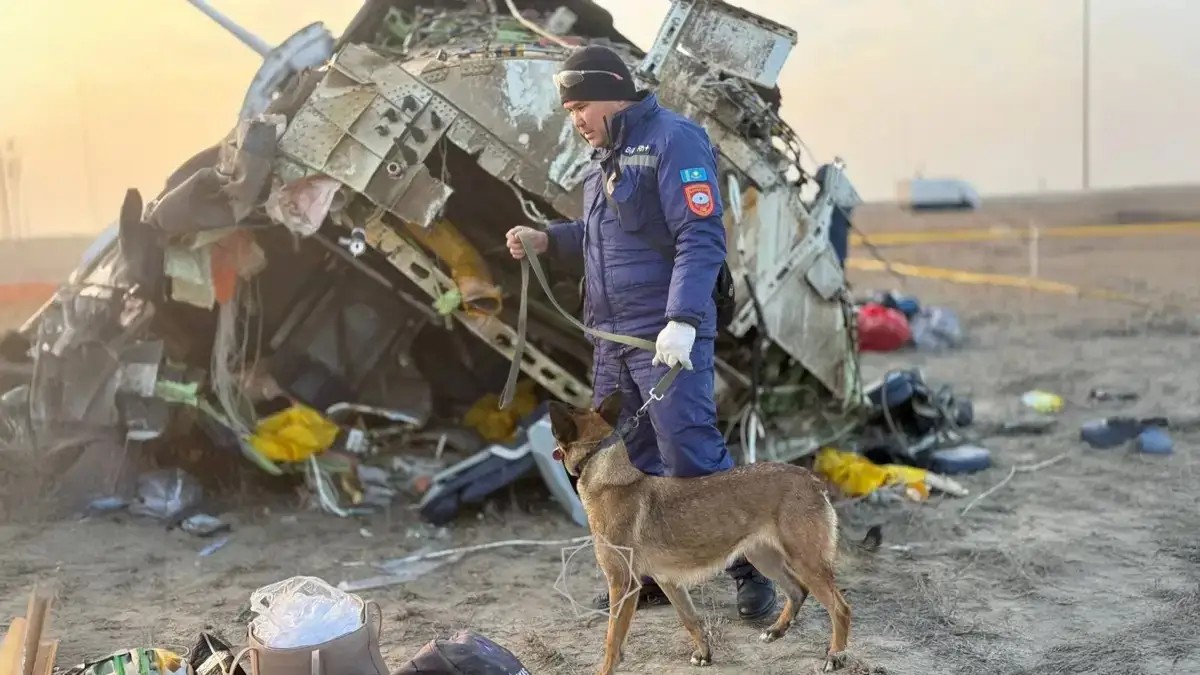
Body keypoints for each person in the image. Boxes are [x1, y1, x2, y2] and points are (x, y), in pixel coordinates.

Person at [504, 45, 776, 620]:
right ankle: (648, 576)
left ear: (612, 92)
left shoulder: (675, 140)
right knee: (631, 459)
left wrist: (681, 320)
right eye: (569, 109)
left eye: (580, 106)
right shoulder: (603, 156)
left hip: (664, 334)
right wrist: (548, 239)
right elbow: (603, 236)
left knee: (689, 450)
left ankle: (751, 571)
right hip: (613, 340)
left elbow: (699, 236)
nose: (575, 119)